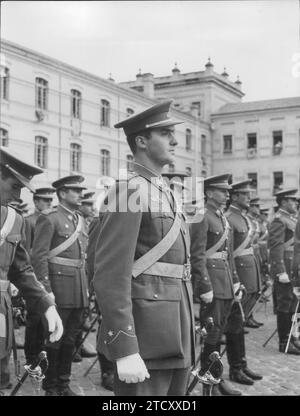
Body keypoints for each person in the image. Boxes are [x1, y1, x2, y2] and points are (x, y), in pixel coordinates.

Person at [93, 100, 195, 396]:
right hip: (146, 331)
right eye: (165, 133)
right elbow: (110, 274)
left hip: (176, 324)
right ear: (141, 141)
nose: (175, 141)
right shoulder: (129, 190)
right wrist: (124, 347)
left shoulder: (166, 192)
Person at [0, 147, 63, 394]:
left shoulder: (14, 220)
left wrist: (46, 304)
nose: (17, 195)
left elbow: (22, 270)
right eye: (14, 186)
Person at [31, 175, 90, 395]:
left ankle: (63, 384)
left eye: (81, 190)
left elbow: (82, 257)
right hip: (58, 289)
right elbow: (39, 257)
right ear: (63, 193)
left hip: (78, 289)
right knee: (54, 340)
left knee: (70, 341)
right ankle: (50, 386)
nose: (81, 194)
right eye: (76, 190)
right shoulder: (50, 218)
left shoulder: (80, 220)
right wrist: (46, 291)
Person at [190, 173, 242, 396]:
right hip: (212, 282)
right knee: (211, 334)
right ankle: (210, 381)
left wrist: (236, 281)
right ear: (210, 193)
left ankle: (214, 377)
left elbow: (228, 254)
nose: (227, 194)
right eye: (223, 190)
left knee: (219, 332)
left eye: (228, 191)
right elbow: (197, 255)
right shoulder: (202, 216)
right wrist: (205, 286)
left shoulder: (221, 217)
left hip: (225, 282)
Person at [225, 180, 263, 385]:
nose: (249, 198)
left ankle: (242, 363)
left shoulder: (243, 218)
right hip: (238, 275)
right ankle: (235, 368)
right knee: (234, 324)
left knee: (239, 323)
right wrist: (235, 280)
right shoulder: (229, 218)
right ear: (235, 196)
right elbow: (228, 253)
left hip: (249, 274)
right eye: (245, 195)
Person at [23, 187, 55, 365]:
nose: (49, 203)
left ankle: (42, 351)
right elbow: (27, 251)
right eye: (44, 200)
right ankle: (31, 355)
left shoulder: (51, 218)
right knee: (34, 317)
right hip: (33, 275)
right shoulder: (29, 221)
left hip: (48, 272)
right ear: (35, 202)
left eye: (50, 200)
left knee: (46, 317)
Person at [268, 189, 300, 355]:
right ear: (283, 202)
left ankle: (292, 338)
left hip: (292, 267)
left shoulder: (290, 219)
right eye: (292, 200)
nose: (295, 203)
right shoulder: (279, 220)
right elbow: (275, 247)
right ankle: (284, 341)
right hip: (285, 269)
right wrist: (280, 271)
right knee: (285, 305)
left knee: (293, 305)